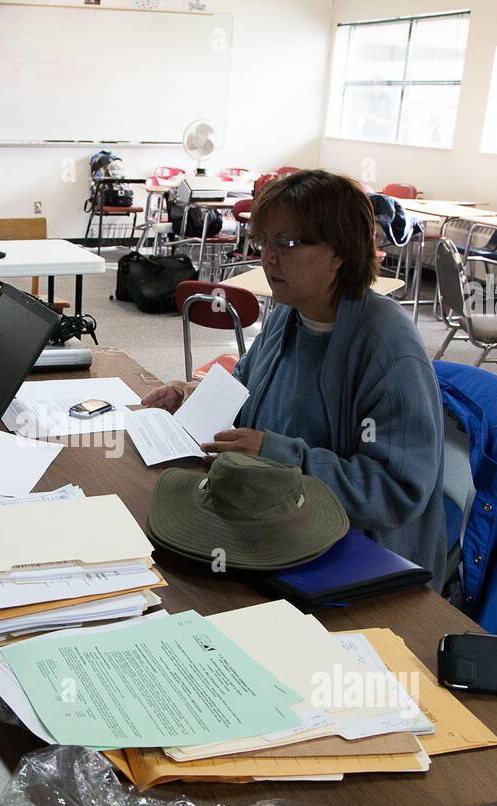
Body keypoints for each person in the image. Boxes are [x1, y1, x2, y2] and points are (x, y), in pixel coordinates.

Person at [143, 169, 447, 588]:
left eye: (285, 243)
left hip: (360, 556)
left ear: (340, 251)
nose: (268, 257)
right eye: (263, 242)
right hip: (278, 521)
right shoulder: (290, 311)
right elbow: (245, 390)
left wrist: (280, 454)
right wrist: (188, 394)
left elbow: (395, 491)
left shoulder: (388, 350)